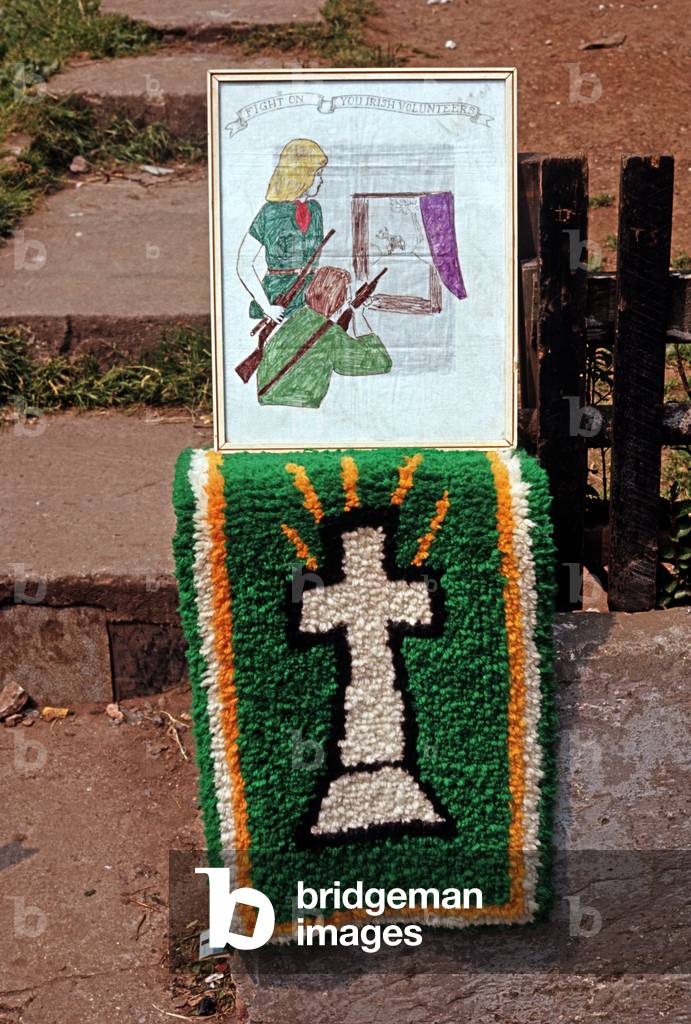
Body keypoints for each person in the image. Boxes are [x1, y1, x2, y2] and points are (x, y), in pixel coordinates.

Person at [256, 266, 392, 409]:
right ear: (337, 300)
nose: (346, 300)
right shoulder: (330, 334)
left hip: (268, 402)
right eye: (345, 296)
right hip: (297, 407)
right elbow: (381, 362)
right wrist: (358, 314)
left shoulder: (298, 317)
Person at [236, 139, 327, 326]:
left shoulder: (315, 210)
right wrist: (266, 307)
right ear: (302, 175)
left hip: (311, 301)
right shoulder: (269, 212)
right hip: (278, 301)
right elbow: (243, 264)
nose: (321, 179)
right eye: (317, 173)